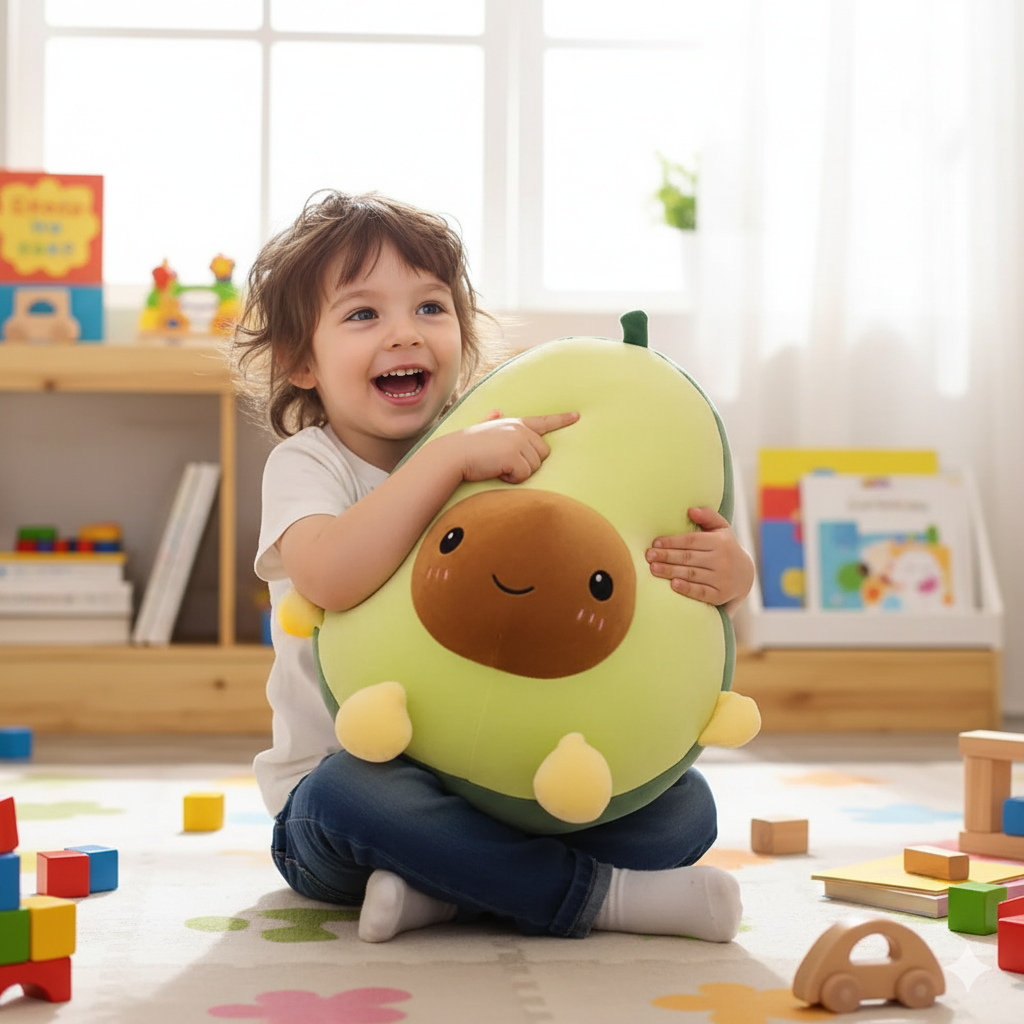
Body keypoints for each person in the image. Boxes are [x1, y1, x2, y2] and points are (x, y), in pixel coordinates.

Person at [232, 190, 756, 945]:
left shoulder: (498, 448)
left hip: (511, 783)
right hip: (355, 783)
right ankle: (597, 898)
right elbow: (330, 577)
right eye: (363, 314)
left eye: (430, 308)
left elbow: (599, 578)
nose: (404, 333)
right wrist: (447, 460)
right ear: (299, 360)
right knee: (344, 798)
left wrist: (725, 579)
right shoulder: (309, 465)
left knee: (683, 805)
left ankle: (447, 891)